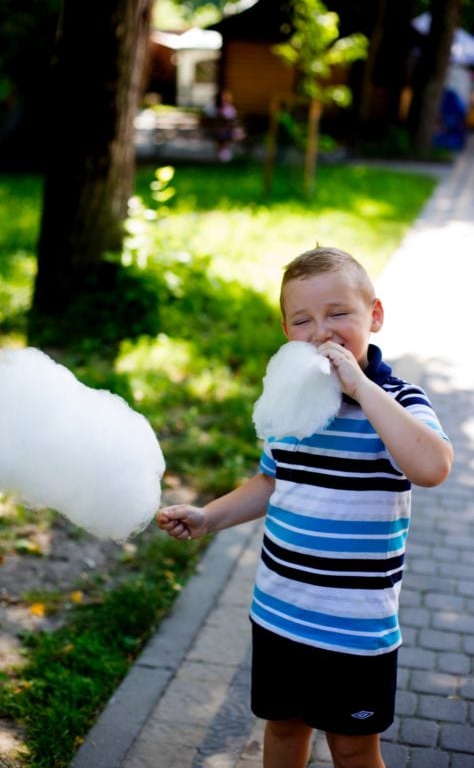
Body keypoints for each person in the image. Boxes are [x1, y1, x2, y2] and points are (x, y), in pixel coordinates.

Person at [157, 246, 453, 768]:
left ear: (374, 316)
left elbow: (432, 468)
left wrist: (362, 389)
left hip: (356, 627)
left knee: (353, 748)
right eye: (303, 320)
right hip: (280, 612)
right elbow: (271, 482)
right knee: (283, 730)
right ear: (286, 331)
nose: (322, 332)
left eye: (339, 314)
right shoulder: (292, 403)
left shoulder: (399, 401)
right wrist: (210, 518)